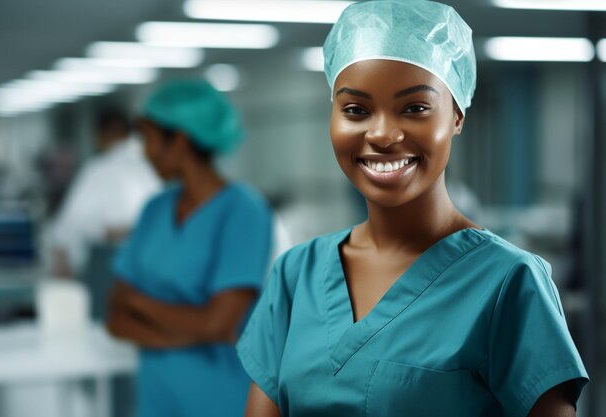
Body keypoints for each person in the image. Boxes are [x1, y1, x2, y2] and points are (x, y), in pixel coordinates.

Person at [236, 1, 589, 417]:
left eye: (415, 108)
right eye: (355, 110)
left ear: (457, 115)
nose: (382, 133)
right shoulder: (297, 275)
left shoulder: (508, 283)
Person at [107, 79, 273, 417]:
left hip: (222, 397)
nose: (143, 151)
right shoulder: (155, 209)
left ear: (180, 141)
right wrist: (184, 334)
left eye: (149, 139)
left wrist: (138, 301)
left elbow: (215, 323)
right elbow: (114, 315)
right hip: (155, 399)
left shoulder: (243, 211)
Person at [50, 109, 161, 277]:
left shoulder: (96, 170)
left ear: (101, 135)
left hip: (106, 267)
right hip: (151, 266)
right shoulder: (153, 168)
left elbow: (66, 230)